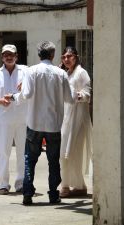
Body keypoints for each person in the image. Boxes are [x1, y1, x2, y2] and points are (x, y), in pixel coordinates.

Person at [5, 41, 77, 205]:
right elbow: (70, 99)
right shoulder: (61, 74)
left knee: (30, 159)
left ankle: (27, 194)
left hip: (34, 123)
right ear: (52, 55)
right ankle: (53, 194)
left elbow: (26, 94)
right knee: (53, 160)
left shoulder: (31, 71)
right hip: (53, 125)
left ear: (39, 55)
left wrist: (14, 96)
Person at [0, 44, 27, 195]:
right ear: (2, 57)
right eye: (6, 55)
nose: (9, 57)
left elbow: (33, 89)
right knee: (3, 152)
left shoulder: (25, 71)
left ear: (17, 56)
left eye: (12, 54)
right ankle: (3, 184)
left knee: (23, 152)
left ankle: (21, 183)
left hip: (23, 119)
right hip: (4, 120)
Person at [59, 46, 92, 198]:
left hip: (78, 120)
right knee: (63, 153)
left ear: (76, 57)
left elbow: (87, 94)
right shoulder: (66, 74)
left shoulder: (81, 72)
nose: (66, 59)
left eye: (69, 56)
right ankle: (70, 185)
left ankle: (74, 186)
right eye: (64, 57)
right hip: (66, 119)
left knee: (75, 153)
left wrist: (76, 95)